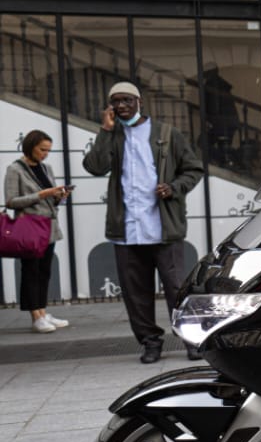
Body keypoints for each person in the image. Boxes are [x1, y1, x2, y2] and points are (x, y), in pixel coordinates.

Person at [83, 81, 205, 364]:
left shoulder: (166, 133)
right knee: (136, 294)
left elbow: (193, 169)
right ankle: (151, 342)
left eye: (126, 100)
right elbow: (95, 167)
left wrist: (174, 187)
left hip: (164, 228)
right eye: (115, 102)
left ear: (139, 101)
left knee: (176, 288)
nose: (121, 106)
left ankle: (191, 340)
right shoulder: (112, 135)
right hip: (126, 231)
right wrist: (105, 130)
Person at [5, 130, 71, 334]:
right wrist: (42, 194)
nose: (45, 154)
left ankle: (43, 311)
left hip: (48, 228)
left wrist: (60, 195)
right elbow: (11, 201)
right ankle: (35, 315)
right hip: (30, 230)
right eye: (42, 149)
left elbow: (51, 198)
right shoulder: (15, 169)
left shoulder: (46, 168)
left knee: (44, 272)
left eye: (48, 150)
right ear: (30, 146)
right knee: (31, 271)